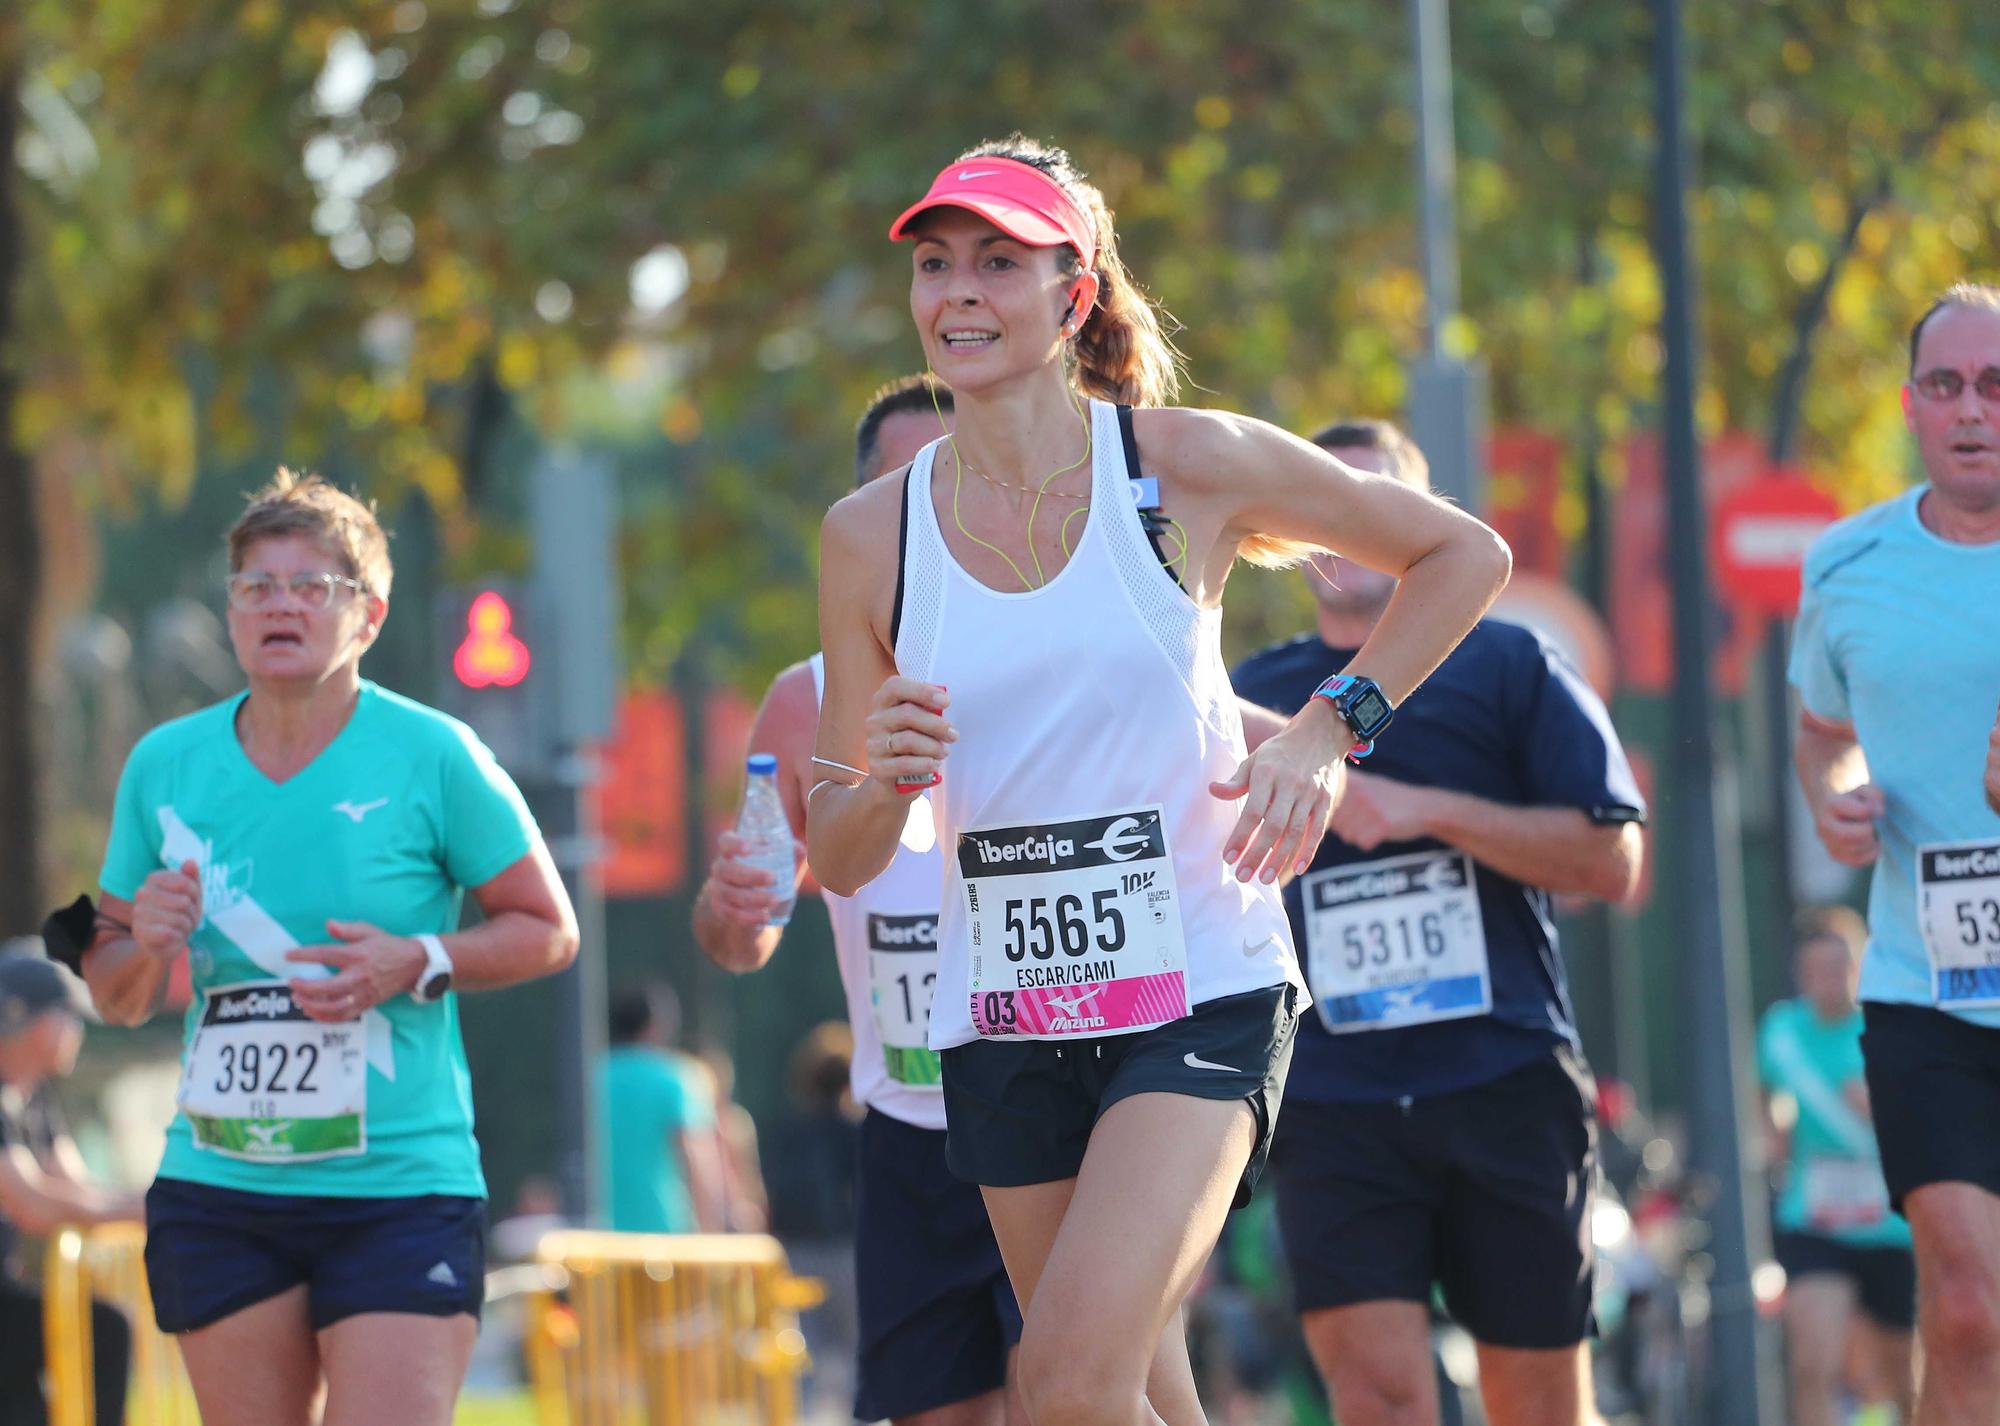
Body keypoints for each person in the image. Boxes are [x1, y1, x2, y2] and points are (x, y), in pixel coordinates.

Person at [808, 136, 1511, 1426]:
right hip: (1004, 1015)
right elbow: (844, 849)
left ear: (1070, 295)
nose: (957, 292)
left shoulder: (1183, 465)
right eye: (934, 263)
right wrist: (884, 781)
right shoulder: (869, 536)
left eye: (997, 263)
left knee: (1063, 1382)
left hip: (1197, 983)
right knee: (1133, 1393)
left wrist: (1321, 729)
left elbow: (1459, 554)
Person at [81, 470, 580, 1426]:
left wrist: (419, 960)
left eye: (312, 585)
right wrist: (143, 945)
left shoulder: (437, 754)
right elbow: (112, 989)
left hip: (399, 1185)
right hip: (221, 1183)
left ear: (369, 615)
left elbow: (548, 928)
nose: (280, 605)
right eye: (256, 586)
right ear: (230, 612)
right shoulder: (162, 767)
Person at [1231, 418, 1644, 1426]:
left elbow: (1612, 861)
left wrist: (1423, 811)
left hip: (1501, 1075)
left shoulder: (1508, 662)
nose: (1346, 525)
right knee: (1372, 1397)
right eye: (1324, 501)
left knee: (1536, 1402)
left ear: (1423, 522)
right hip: (1331, 1095)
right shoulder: (1246, 692)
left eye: (1375, 502)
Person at [698, 372, 1035, 1426]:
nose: (929, 515)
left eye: (955, 480)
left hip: (1062, 1106)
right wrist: (732, 901)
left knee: (1072, 1400)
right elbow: (737, 933)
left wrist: (1331, 740)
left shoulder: (1062, 658)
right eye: (901, 490)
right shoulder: (804, 700)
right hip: (909, 1123)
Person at [1791, 280, 2000, 1426]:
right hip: (1926, 990)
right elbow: (1819, 736)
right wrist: (1833, 802)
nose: (1971, 408)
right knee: (1965, 1303)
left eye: (1994, 385)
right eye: (1945, 384)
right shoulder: (1843, 566)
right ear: (1911, 406)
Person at [1758, 905, 1916, 1426]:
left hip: (1894, 1225)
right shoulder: (1781, 1031)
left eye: (1840, 968)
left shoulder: (1892, 1028)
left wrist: (1886, 1107)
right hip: (1816, 1221)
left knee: (1903, 1379)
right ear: (1801, 975)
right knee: (1813, 1361)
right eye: (1816, 971)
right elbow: (1767, 1098)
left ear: (1861, 966)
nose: (1829, 982)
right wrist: (1774, 1129)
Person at [0, 949, 140, 1426]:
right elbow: (32, 1204)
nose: (76, 1031)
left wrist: (139, 1204)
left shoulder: (31, 1096)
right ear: (32, 1022)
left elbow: (75, 1186)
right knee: (106, 1329)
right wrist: (141, 1209)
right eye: (68, 1016)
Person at [597, 983, 726, 1233]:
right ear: (657, 1025)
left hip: (599, 1235)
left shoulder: (591, 1076)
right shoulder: (679, 1077)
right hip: (664, 1234)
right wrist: (712, 1231)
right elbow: (697, 1156)